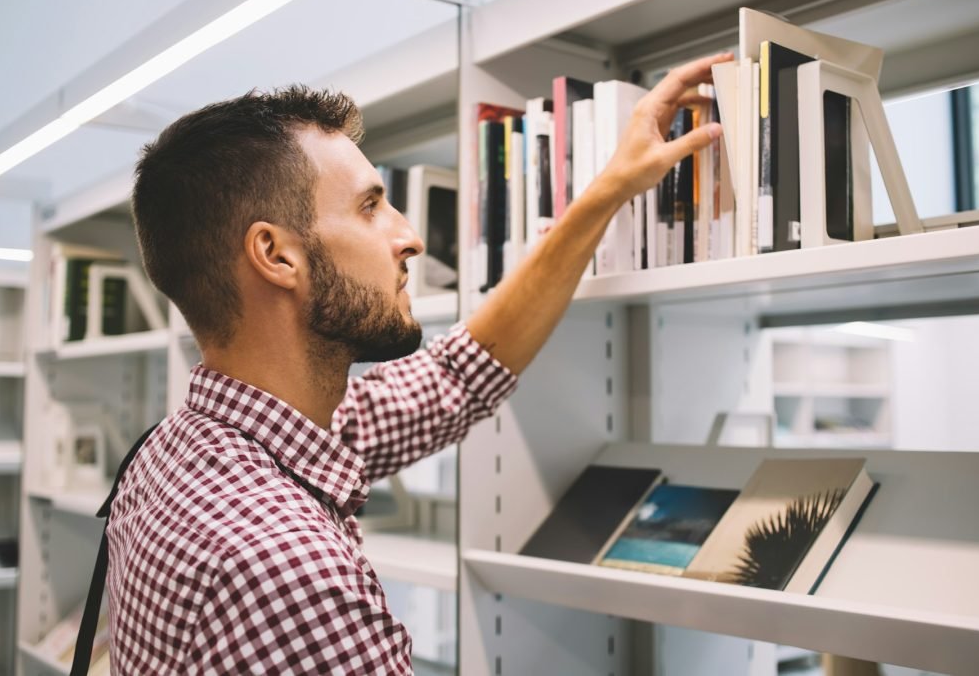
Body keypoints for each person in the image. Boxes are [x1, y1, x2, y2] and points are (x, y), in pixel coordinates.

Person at [111, 52, 731, 674]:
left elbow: (455, 378)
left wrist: (608, 189)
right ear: (276, 255)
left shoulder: (177, 451)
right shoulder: (288, 570)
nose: (409, 236)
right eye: (369, 206)